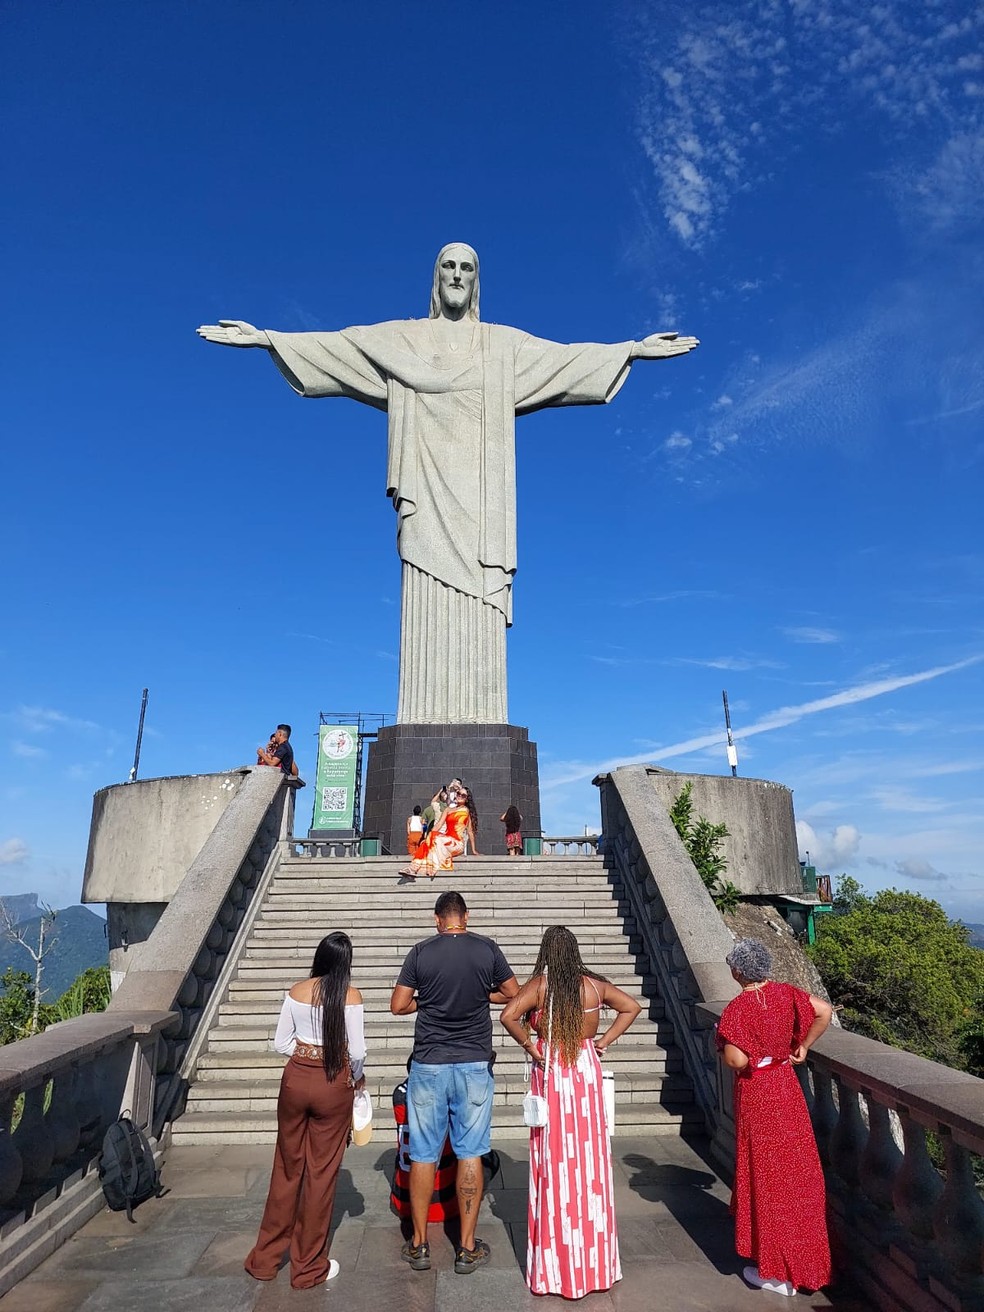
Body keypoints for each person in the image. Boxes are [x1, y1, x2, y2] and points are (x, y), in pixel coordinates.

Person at [199, 245, 699, 725]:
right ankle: (422, 712)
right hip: (424, 491)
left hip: (482, 502)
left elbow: (565, 360)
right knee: (424, 582)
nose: (457, 275)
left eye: (467, 268)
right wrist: (268, 339)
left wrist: (632, 350)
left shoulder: (502, 346)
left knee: (481, 592)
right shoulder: (403, 340)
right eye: (448, 267)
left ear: (476, 281)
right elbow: (341, 346)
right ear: (436, 278)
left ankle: (482, 714)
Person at [500, 925, 641, 1298]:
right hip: (585, 1070)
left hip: (553, 1072)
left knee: (555, 1160)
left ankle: (557, 1268)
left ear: (547, 952)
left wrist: (532, 1048)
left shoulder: (540, 987)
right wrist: (603, 1042)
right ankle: (594, 1265)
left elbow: (508, 1015)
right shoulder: (593, 986)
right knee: (589, 1162)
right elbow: (632, 1007)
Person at [389, 891, 519, 1276]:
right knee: (470, 1151)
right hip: (474, 1063)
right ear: (466, 916)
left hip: (429, 1064)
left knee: (423, 1153)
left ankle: (419, 1244)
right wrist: (482, 995)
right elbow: (512, 993)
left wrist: (425, 1001)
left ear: (437, 919)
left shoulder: (421, 952)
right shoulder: (486, 949)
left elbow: (398, 1005)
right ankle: (466, 1247)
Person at [245, 931, 366, 1289]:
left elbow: (280, 1042)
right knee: (321, 1175)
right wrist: (356, 1078)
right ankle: (308, 1267)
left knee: (286, 1168)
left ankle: (264, 1260)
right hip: (333, 1082)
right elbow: (357, 1053)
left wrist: (306, 1053)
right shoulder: (350, 995)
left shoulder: (297, 991)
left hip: (295, 1080)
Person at [717, 937, 833, 1297]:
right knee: (796, 1172)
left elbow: (736, 1060)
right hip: (786, 1084)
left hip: (758, 1091)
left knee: (766, 1175)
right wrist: (803, 1045)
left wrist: (737, 1054)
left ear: (738, 972)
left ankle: (777, 1270)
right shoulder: (787, 993)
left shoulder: (738, 1009)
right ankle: (805, 1263)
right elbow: (823, 1010)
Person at [400, 786, 479, 880]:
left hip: (456, 844)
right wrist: (429, 837)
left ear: (467, 799)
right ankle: (413, 868)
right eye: (458, 794)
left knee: (435, 840)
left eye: (463, 795)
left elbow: (470, 831)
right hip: (444, 840)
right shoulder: (448, 810)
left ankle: (430, 868)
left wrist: (473, 850)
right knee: (430, 839)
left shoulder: (466, 811)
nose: (460, 796)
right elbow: (439, 825)